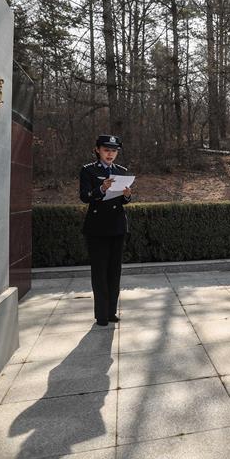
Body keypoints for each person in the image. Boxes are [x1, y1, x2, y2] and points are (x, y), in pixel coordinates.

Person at [79, 135, 133, 327]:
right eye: (106, 150)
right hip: (97, 228)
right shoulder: (88, 170)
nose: (110, 154)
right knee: (99, 272)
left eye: (114, 151)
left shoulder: (122, 171)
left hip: (117, 226)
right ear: (97, 150)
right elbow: (84, 197)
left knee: (114, 271)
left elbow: (122, 201)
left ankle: (111, 312)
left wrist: (127, 196)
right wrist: (101, 188)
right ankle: (101, 314)